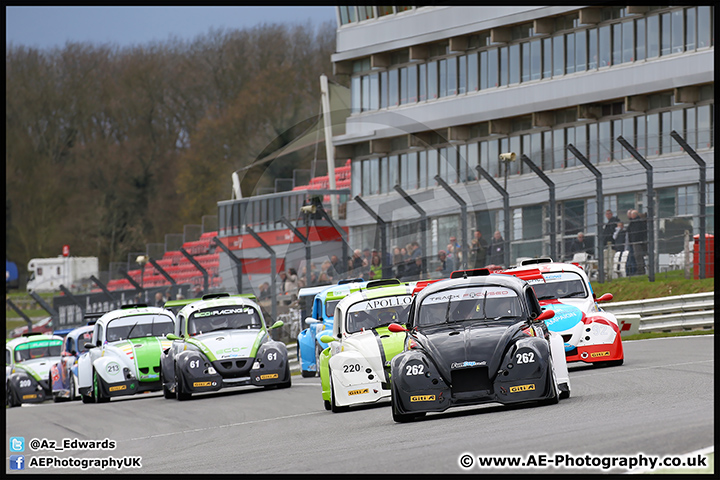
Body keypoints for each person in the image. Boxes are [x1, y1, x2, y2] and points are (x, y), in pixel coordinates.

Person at [627, 209, 647, 275]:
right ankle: (639, 269)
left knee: (638, 256)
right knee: (637, 256)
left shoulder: (637, 222)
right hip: (635, 241)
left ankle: (640, 270)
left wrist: (634, 239)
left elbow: (636, 232)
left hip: (637, 241)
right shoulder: (634, 222)